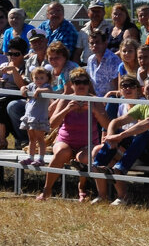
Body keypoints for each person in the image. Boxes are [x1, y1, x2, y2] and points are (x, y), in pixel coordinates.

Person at [91, 74, 149, 183]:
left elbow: (148, 122)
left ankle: (120, 169)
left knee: (144, 134)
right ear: (143, 90)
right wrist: (112, 138)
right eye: (148, 89)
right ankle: (97, 166)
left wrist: (119, 136)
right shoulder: (142, 106)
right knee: (119, 131)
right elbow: (116, 122)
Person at [36, 68, 111, 202]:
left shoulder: (95, 100)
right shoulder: (65, 99)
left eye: (84, 82)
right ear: (72, 84)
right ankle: (47, 190)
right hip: (65, 141)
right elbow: (52, 124)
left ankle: (82, 187)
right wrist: (67, 109)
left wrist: (94, 110)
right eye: (77, 82)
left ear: (89, 84)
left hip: (87, 143)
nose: (81, 85)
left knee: (85, 157)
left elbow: (106, 124)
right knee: (62, 152)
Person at [19, 67, 53, 168]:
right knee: (31, 138)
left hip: (39, 118)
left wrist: (40, 90)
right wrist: (23, 89)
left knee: (40, 138)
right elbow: (24, 87)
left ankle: (41, 158)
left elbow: (49, 90)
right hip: (29, 117)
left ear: (47, 78)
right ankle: (30, 157)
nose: (38, 80)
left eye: (41, 78)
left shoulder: (47, 86)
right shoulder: (32, 85)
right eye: (36, 78)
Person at [85, 29, 122, 98]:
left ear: (105, 43)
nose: (94, 45)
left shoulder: (112, 60)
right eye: (92, 43)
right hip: (95, 98)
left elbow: (117, 87)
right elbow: (89, 83)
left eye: (97, 42)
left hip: (110, 99)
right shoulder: (90, 60)